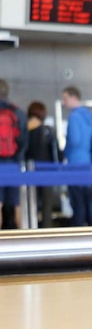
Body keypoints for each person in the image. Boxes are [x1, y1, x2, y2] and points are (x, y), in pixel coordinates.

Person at [61, 85, 92, 226]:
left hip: (75, 162)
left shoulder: (74, 116)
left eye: (65, 98)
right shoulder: (87, 115)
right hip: (86, 161)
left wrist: (65, 151)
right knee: (87, 200)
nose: (64, 102)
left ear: (73, 97)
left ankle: (77, 231)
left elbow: (74, 140)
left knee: (77, 201)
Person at [25, 100, 61, 228]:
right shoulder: (48, 131)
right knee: (46, 205)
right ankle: (47, 230)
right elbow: (56, 153)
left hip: (30, 171)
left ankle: (31, 228)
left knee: (30, 203)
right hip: (47, 172)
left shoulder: (25, 130)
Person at [0, 79, 28, 230]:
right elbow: (24, 140)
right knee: (16, 204)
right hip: (14, 164)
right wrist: (17, 159)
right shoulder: (18, 113)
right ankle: (21, 240)